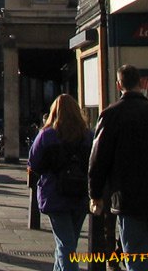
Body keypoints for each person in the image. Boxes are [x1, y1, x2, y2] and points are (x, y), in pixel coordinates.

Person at [89, 65, 148, 271]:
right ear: (141, 84)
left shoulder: (111, 115)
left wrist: (95, 194)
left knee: (135, 256)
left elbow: (98, 159)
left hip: (127, 196)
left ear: (119, 85)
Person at [28, 94, 93, 271]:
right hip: (80, 194)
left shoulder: (47, 135)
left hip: (55, 194)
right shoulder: (88, 136)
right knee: (68, 242)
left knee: (65, 244)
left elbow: (34, 163)